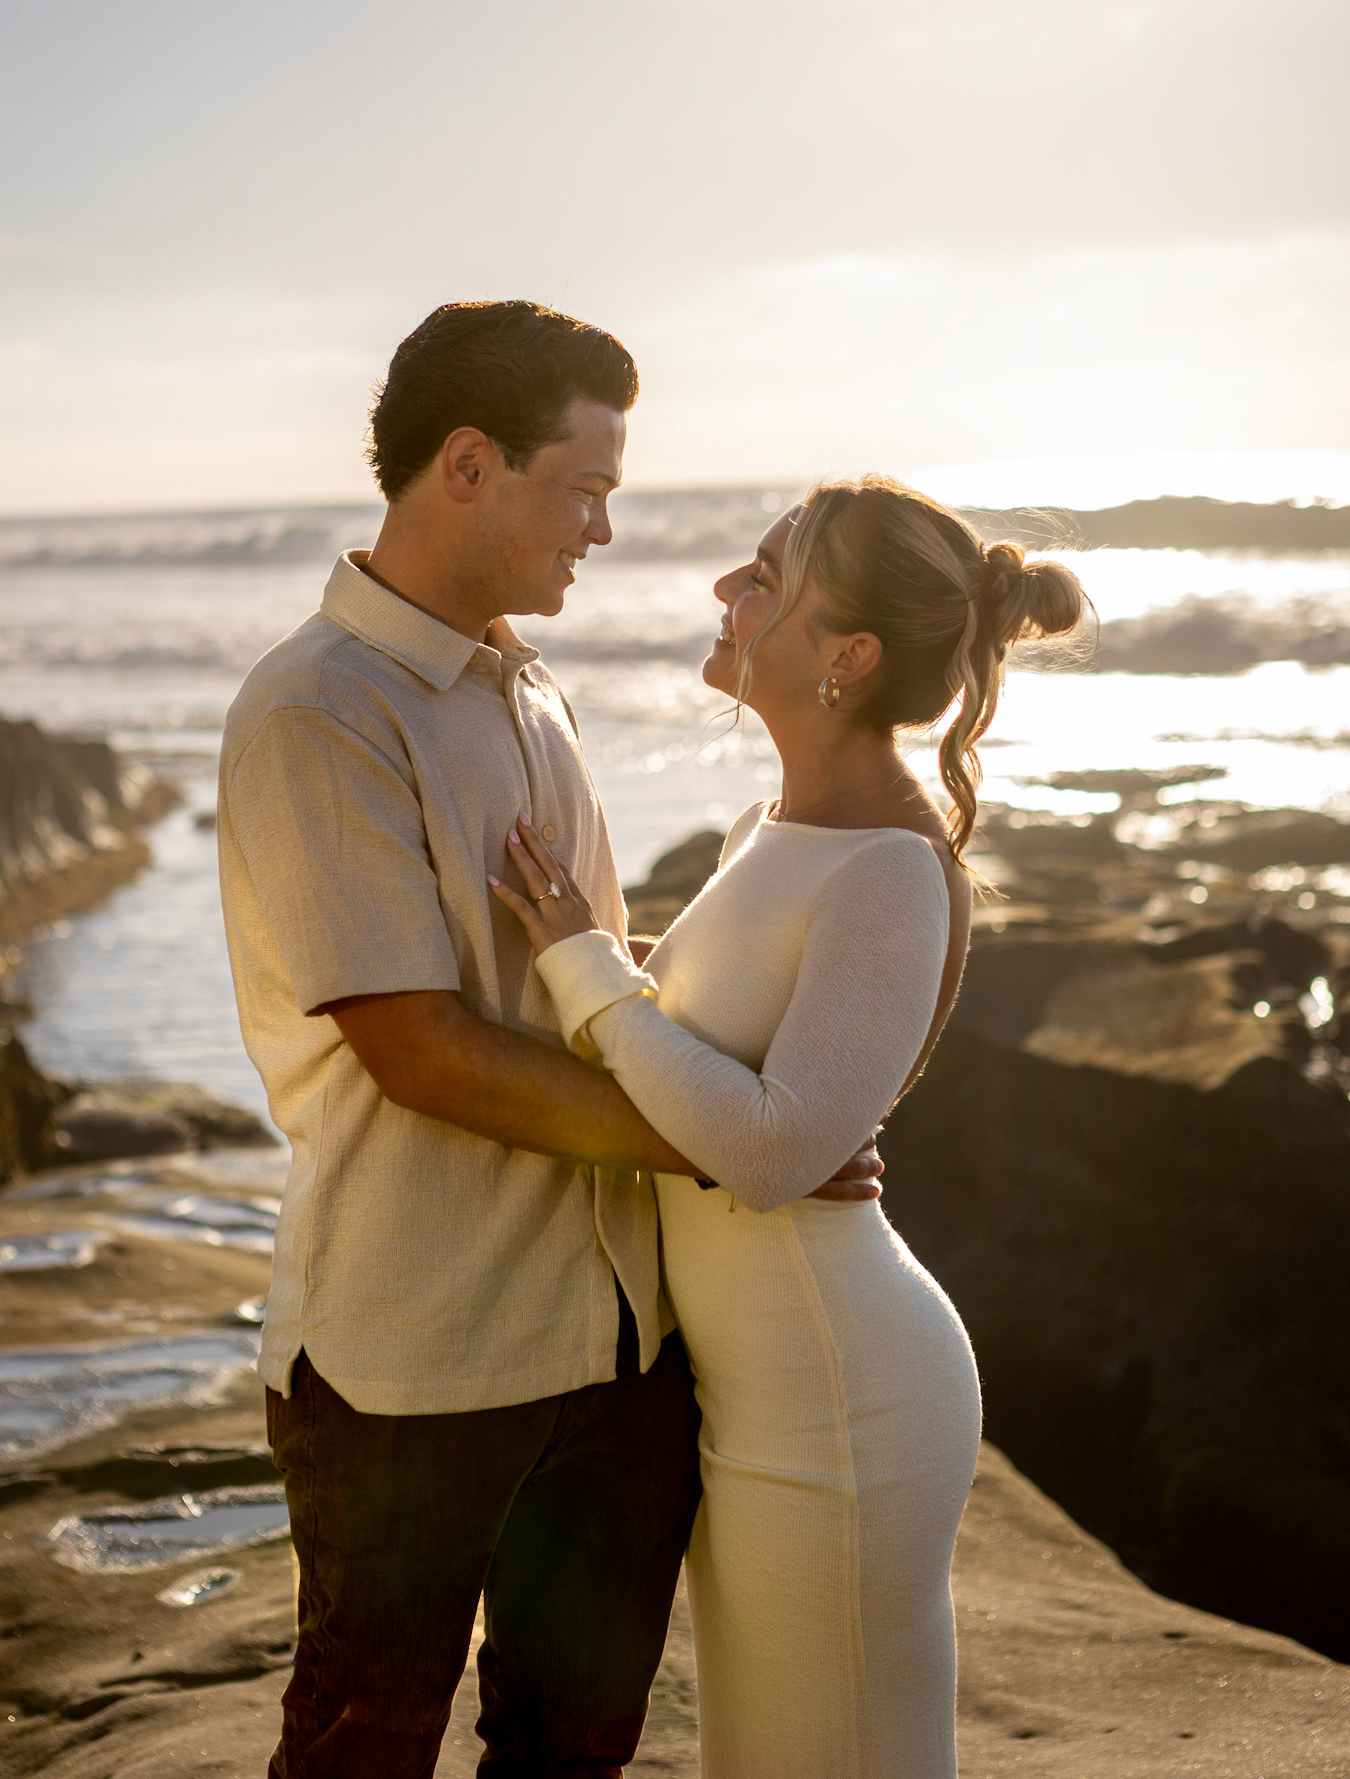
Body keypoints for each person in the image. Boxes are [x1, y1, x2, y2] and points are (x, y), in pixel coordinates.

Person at [217, 298, 880, 1778]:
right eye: (582, 487)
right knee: (361, 1744)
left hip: (622, 1349)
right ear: (467, 464)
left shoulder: (527, 684)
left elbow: (560, 979)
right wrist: (735, 1146)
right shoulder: (319, 710)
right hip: (415, 1360)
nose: (600, 527)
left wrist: (784, 1063)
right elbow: (422, 1046)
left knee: (575, 1747)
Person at [487, 478, 1091, 1777]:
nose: (725, 592)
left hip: (841, 1395)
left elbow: (768, 1152)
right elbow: (730, 1059)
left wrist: (587, 969)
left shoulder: (885, 861)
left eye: (763, 576)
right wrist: (604, 976)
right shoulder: (775, 827)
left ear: (848, 657)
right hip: (757, 1389)